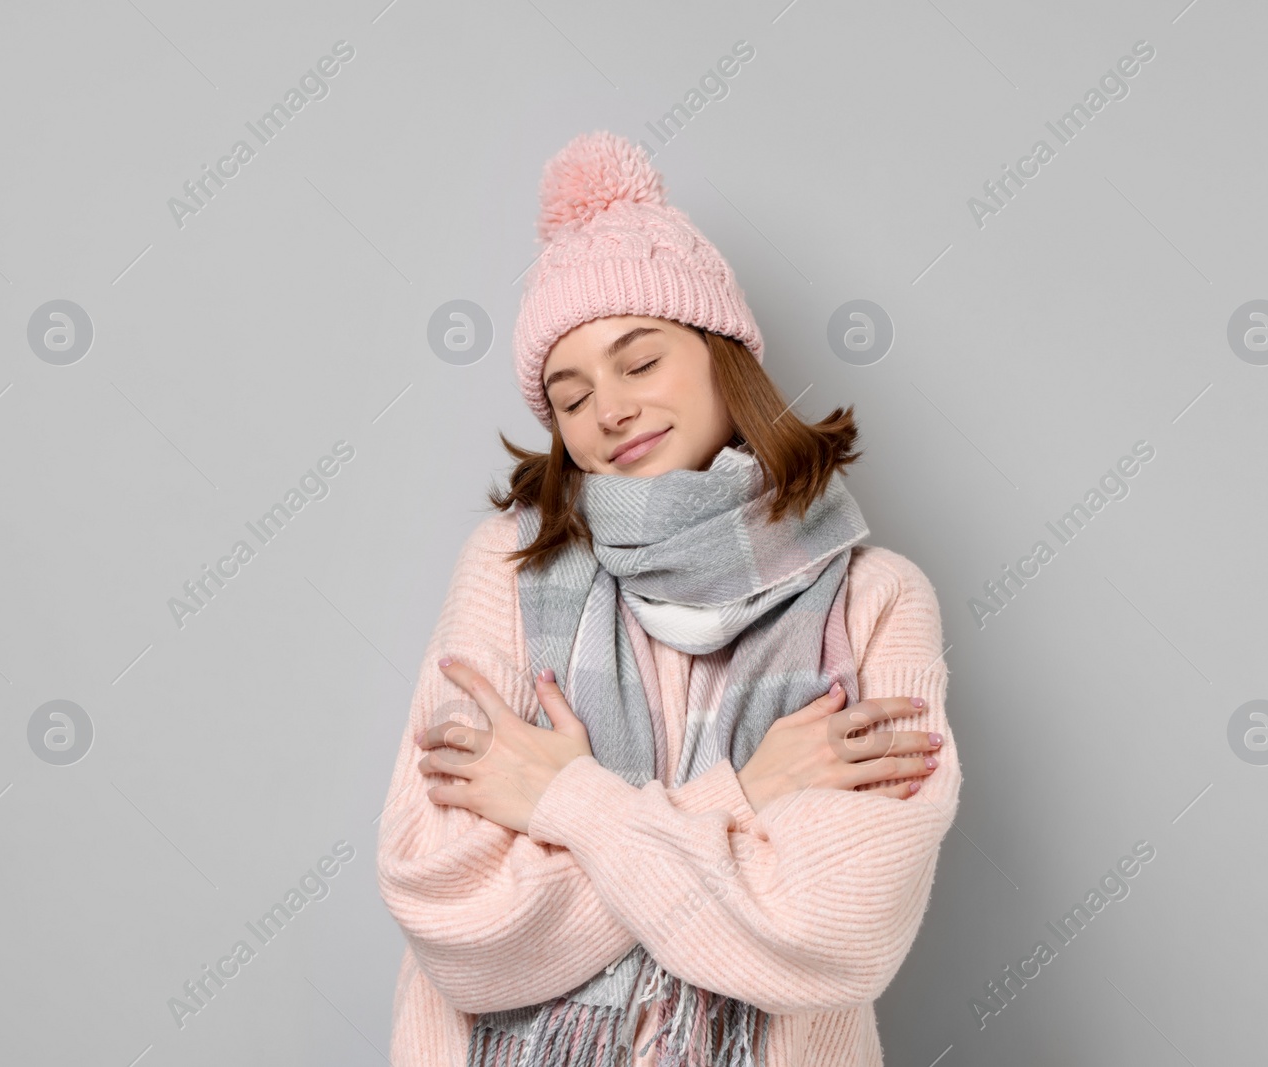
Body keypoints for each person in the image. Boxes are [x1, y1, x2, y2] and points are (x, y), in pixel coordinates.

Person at [377, 130, 960, 1066]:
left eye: (639, 362)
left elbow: (830, 934)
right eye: (569, 396)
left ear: (722, 356)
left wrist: (561, 798)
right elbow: (461, 922)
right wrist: (748, 792)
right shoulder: (508, 571)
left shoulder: (874, 603)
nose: (607, 410)